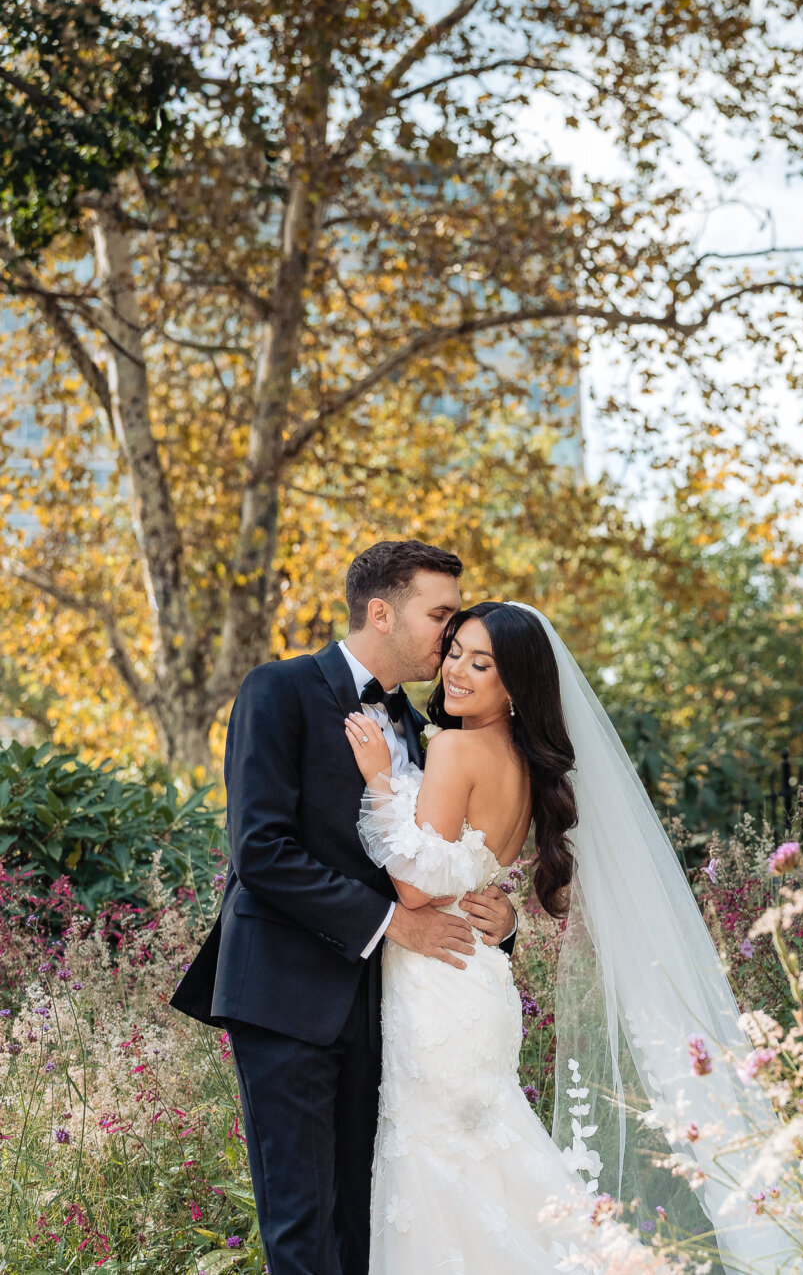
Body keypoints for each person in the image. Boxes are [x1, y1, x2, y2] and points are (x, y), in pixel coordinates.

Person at [345, 600, 802, 1274]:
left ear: (515, 685)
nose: (457, 671)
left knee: (442, 1167)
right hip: (475, 981)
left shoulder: (457, 748)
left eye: (483, 662)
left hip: (438, 988)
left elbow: (415, 889)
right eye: (455, 652)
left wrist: (381, 780)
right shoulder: (521, 763)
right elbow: (472, 866)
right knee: (484, 1165)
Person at [171, 540, 519, 1275]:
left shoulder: (430, 728)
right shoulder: (279, 689)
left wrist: (500, 917)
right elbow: (260, 850)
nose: (451, 637)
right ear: (381, 611)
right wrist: (396, 922)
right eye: (441, 615)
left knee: (370, 1225)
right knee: (303, 1228)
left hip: (392, 1007)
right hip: (287, 994)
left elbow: (439, 855)